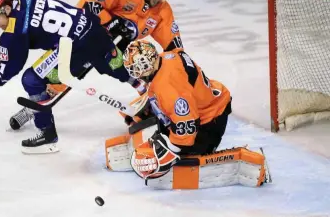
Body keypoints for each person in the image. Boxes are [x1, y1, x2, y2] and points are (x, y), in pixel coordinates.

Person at [0, 0, 129, 154]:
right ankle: (148, 94)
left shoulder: (14, 31)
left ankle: (47, 134)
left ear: (7, 8)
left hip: (76, 48)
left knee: (31, 80)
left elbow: (9, 68)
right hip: (91, 26)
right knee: (117, 66)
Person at [10, 0, 182, 129]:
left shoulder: (163, 11)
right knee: (61, 74)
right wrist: (110, 22)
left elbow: (173, 44)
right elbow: (89, 4)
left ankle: (159, 105)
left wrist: (183, 67)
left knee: (143, 63)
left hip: (118, 46)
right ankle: (34, 107)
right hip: (89, 34)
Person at [104, 40, 269, 190]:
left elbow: (188, 125)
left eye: (136, 69)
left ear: (146, 64)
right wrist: (144, 113)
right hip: (204, 102)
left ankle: (234, 159)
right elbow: (166, 96)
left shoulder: (168, 88)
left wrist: (172, 150)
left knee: (185, 156)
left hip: (210, 118)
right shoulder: (166, 57)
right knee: (163, 135)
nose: (136, 74)